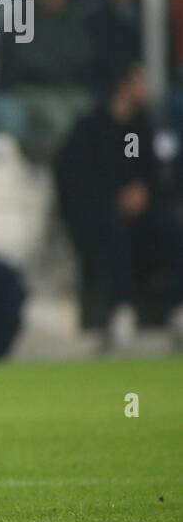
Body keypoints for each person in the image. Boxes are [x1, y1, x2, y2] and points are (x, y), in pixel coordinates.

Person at [56, 61, 183, 349]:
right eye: (140, 80)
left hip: (141, 212)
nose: (146, 87)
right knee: (114, 230)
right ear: (123, 84)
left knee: (172, 228)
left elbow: (154, 174)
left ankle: (177, 309)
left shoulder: (142, 126)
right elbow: (77, 178)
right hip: (100, 212)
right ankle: (120, 312)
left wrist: (143, 191)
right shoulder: (90, 126)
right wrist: (114, 196)